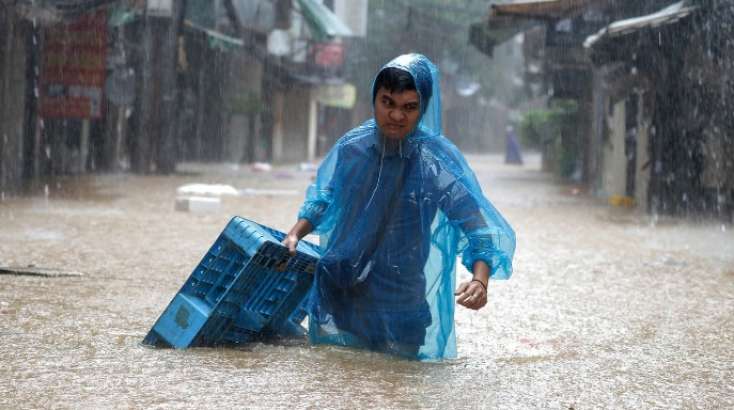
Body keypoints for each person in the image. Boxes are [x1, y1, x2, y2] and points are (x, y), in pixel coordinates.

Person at [283, 54, 515, 360]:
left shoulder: (435, 163)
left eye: (409, 107)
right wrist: (294, 234)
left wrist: (480, 280)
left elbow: (477, 226)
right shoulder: (352, 148)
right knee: (337, 388)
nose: (396, 116)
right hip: (340, 294)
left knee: (397, 390)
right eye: (387, 102)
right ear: (374, 99)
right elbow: (323, 199)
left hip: (400, 303)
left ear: (423, 109)